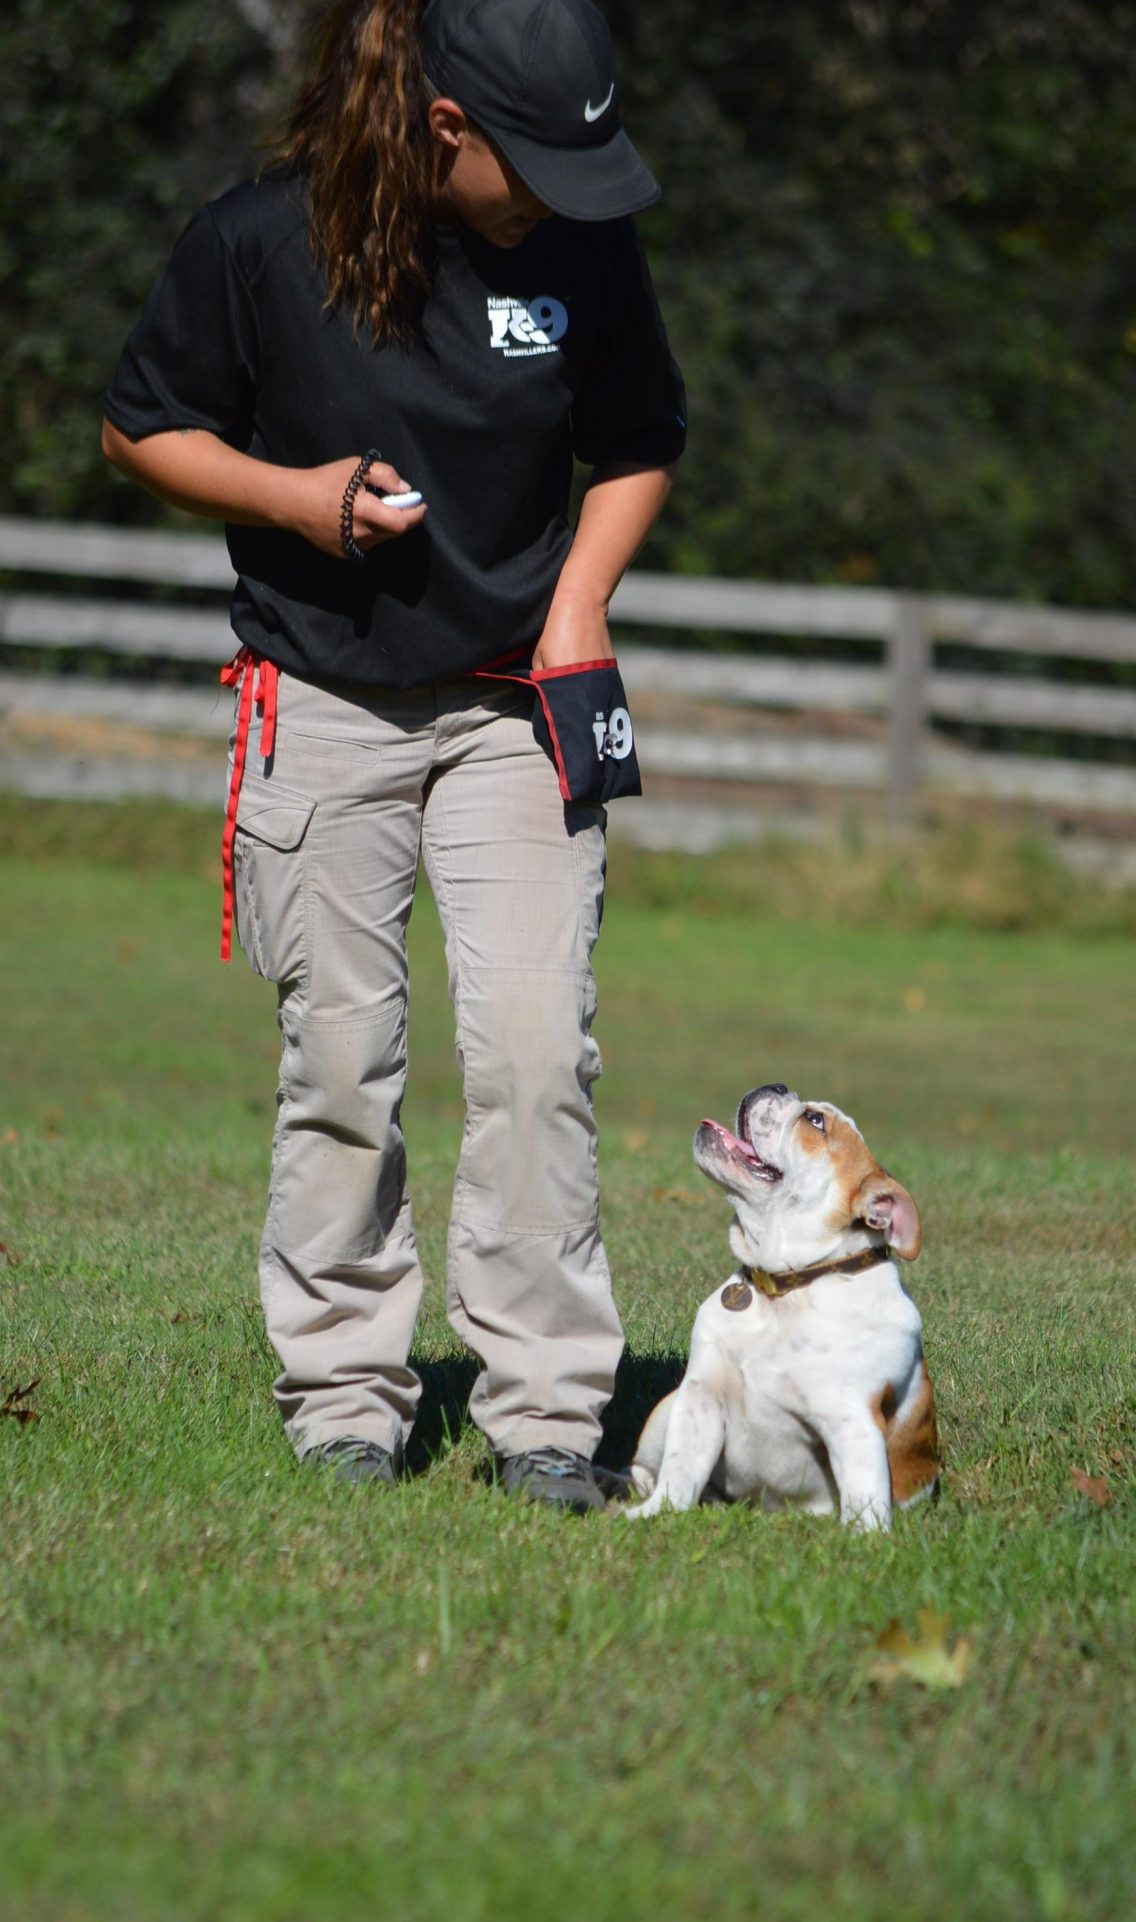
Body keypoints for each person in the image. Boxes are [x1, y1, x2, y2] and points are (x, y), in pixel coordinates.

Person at [100, 0, 686, 1509]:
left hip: (512, 708)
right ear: (445, 130)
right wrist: (295, 502)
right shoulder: (254, 242)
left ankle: (549, 1414)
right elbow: (140, 427)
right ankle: (345, 1399)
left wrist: (574, 611)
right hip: (323, 699)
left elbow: (636, 442)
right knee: (344, 1062)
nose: (570, 191)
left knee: (536, 1051)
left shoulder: (582, 245)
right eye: (542, 160)